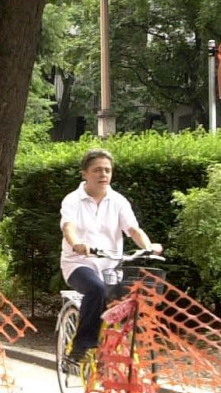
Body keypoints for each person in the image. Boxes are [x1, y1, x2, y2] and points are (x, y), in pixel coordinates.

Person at [59, 149, 162, 363]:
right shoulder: (72, 200)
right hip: (79, 263)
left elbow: (133, 229)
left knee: (128, 300)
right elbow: (68, 227)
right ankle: (82, 345)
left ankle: (109, 352)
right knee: (96, 289)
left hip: (111, 266)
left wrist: (148, 246)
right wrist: (77, 243)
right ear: (84, 174)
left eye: (107, 170)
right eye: (97, 170)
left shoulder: (118, 201)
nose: (103, 174)